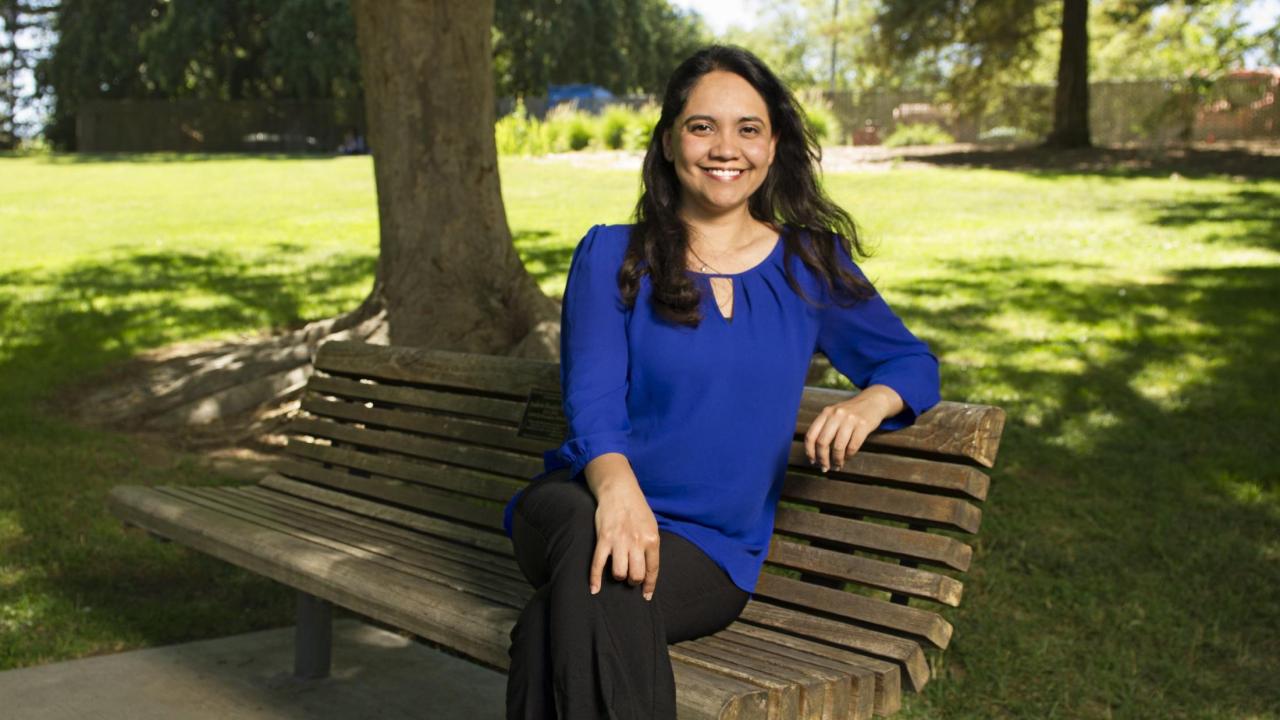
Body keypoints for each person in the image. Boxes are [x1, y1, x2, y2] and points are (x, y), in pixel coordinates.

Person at [501, 44, 941, 719]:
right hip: (581, 505)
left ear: (773, 146)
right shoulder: (613, 255)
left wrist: (871, 401)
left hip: (711, 550)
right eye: (702, 126)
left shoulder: (809, 264)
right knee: (597, 551)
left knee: (553, 625)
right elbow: (592, 398)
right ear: (669, 142)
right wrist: (617, 493)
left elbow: (910, 363)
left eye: (748, 128)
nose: (725, 148)